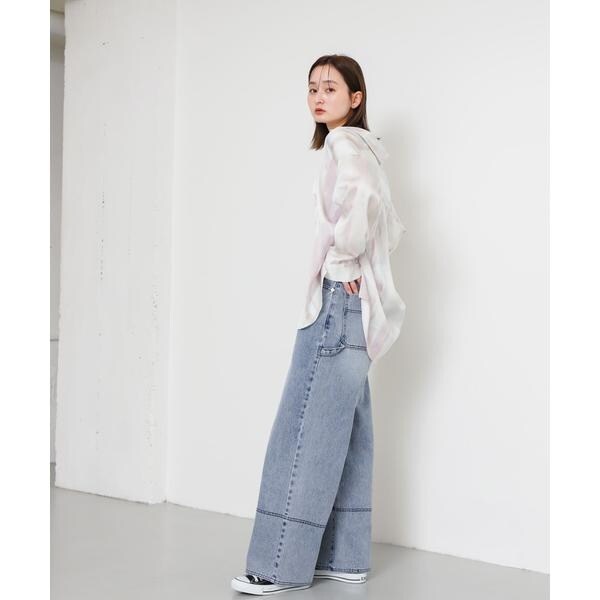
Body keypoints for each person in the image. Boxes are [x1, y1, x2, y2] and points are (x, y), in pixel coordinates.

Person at [231, 54, 407, 595]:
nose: (318, 96)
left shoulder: (344, 145)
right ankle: (343, 557)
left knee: (303, 428)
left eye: (330, 87)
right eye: (312, 88)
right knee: (344, 431)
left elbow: (363, 205)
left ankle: (278, 566)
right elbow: (388, 222)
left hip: (336, 302)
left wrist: (344, 262)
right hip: (360, 311)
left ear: (356, 98)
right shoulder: (368, 149)